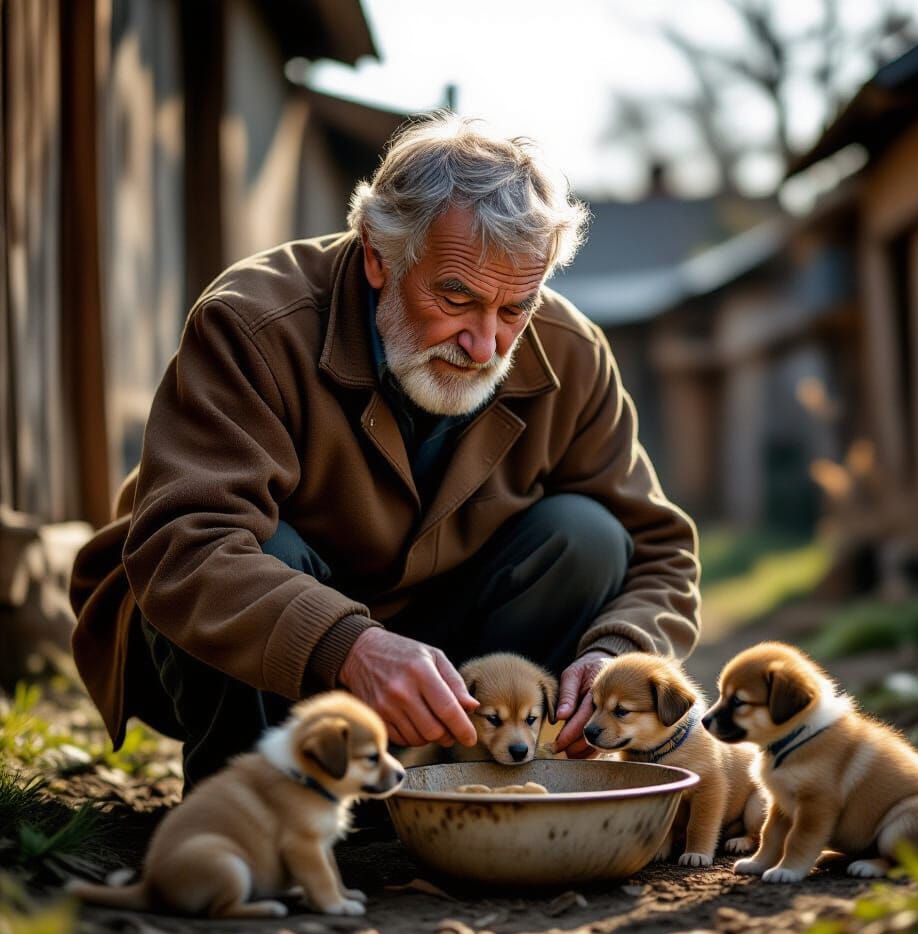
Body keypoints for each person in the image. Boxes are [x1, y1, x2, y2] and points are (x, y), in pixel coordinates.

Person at [69, 113, 701, 790]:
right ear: (378, 253)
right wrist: (347, 644)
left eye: (515, 307)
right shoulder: (251, 324)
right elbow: (185, 545)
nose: (486, 345)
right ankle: (253, 812)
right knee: (264, 547)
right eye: (456, 296)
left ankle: (468, 787)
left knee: (589, 537)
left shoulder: (571, 352)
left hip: (453, 680)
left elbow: (657, 549)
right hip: (254, 655)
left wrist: (618, 650)